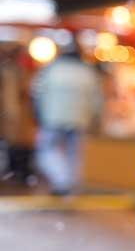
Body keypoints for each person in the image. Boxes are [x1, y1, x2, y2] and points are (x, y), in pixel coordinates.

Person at [31, 34, 103, 196]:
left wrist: (37, 114)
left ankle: (63, 181)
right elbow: (97, 99)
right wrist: (96, 118)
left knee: (47, 151)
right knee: (74, 155)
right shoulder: (87, 72)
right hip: (79, 119)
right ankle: (70, 186)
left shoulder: (51, 69)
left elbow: (37, 93)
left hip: (52, 118)